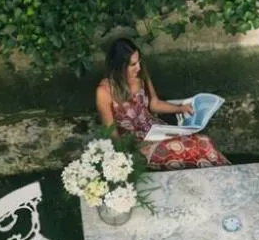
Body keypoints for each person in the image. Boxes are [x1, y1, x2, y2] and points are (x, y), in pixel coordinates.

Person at [95, 37, 230, 169]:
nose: (139, 68)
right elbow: (111, 132)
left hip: (156, 130)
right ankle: (226, 175)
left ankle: (228, 175)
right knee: (193, 148)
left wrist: (180, 109)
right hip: (137, 144)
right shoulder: (104, 91)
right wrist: (125, 160)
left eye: (139, 62)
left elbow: (154, 104)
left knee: (204, 141)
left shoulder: (140, 75)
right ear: (119, 66)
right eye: (133, 64)